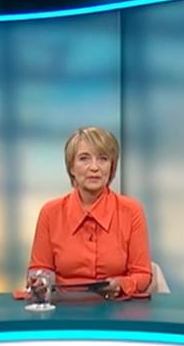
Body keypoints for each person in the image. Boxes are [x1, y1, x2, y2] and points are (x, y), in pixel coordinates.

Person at [29, 126, 152, 298]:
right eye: (84, 158)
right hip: (64, 307)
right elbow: (39, 270)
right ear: (71, 167)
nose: (94, 167)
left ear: (111, 167)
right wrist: (39, 283)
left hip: (115, 306)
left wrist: (121, 285)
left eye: (103, 159)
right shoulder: (50, 213)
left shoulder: (131, 211)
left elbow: (142, 274)